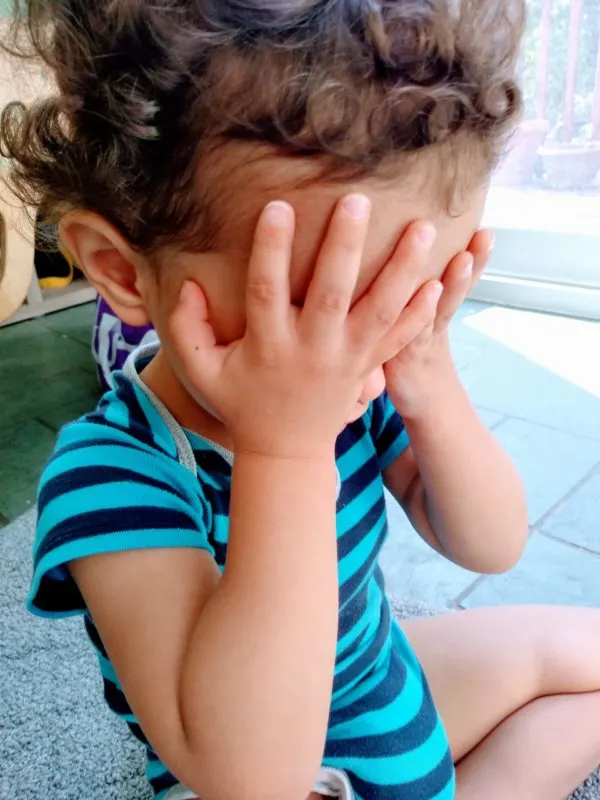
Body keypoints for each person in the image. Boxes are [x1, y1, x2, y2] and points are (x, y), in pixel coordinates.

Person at [2, 2, 600, 799]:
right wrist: (283, 449)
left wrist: (429, 383)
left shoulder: (362, 377)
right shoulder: (111, 477)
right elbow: (245, 774)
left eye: (409, 297)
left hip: (364, 676)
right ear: (120, 272)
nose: (369, 340)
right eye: (325, 303)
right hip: (268, 751)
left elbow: (490, 544)